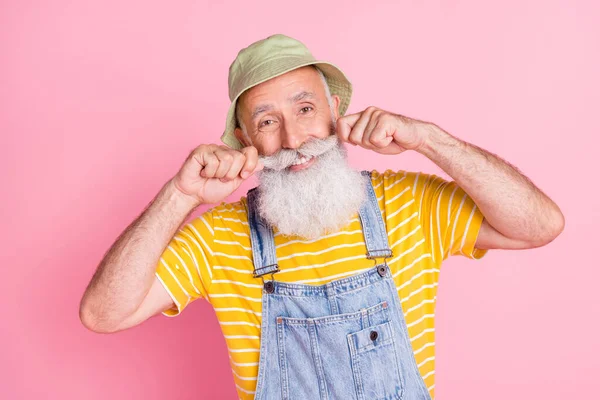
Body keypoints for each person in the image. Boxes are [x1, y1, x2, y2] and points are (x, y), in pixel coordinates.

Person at [79, 34, 565, 399]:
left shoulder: (411, 204)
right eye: (267, 121)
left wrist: (431, 139)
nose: (293, 140)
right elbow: (103, 314)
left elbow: (540, 225)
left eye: (306, 108)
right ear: (247, 141)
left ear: (335, 110)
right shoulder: (216, 237)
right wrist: (181, 194)